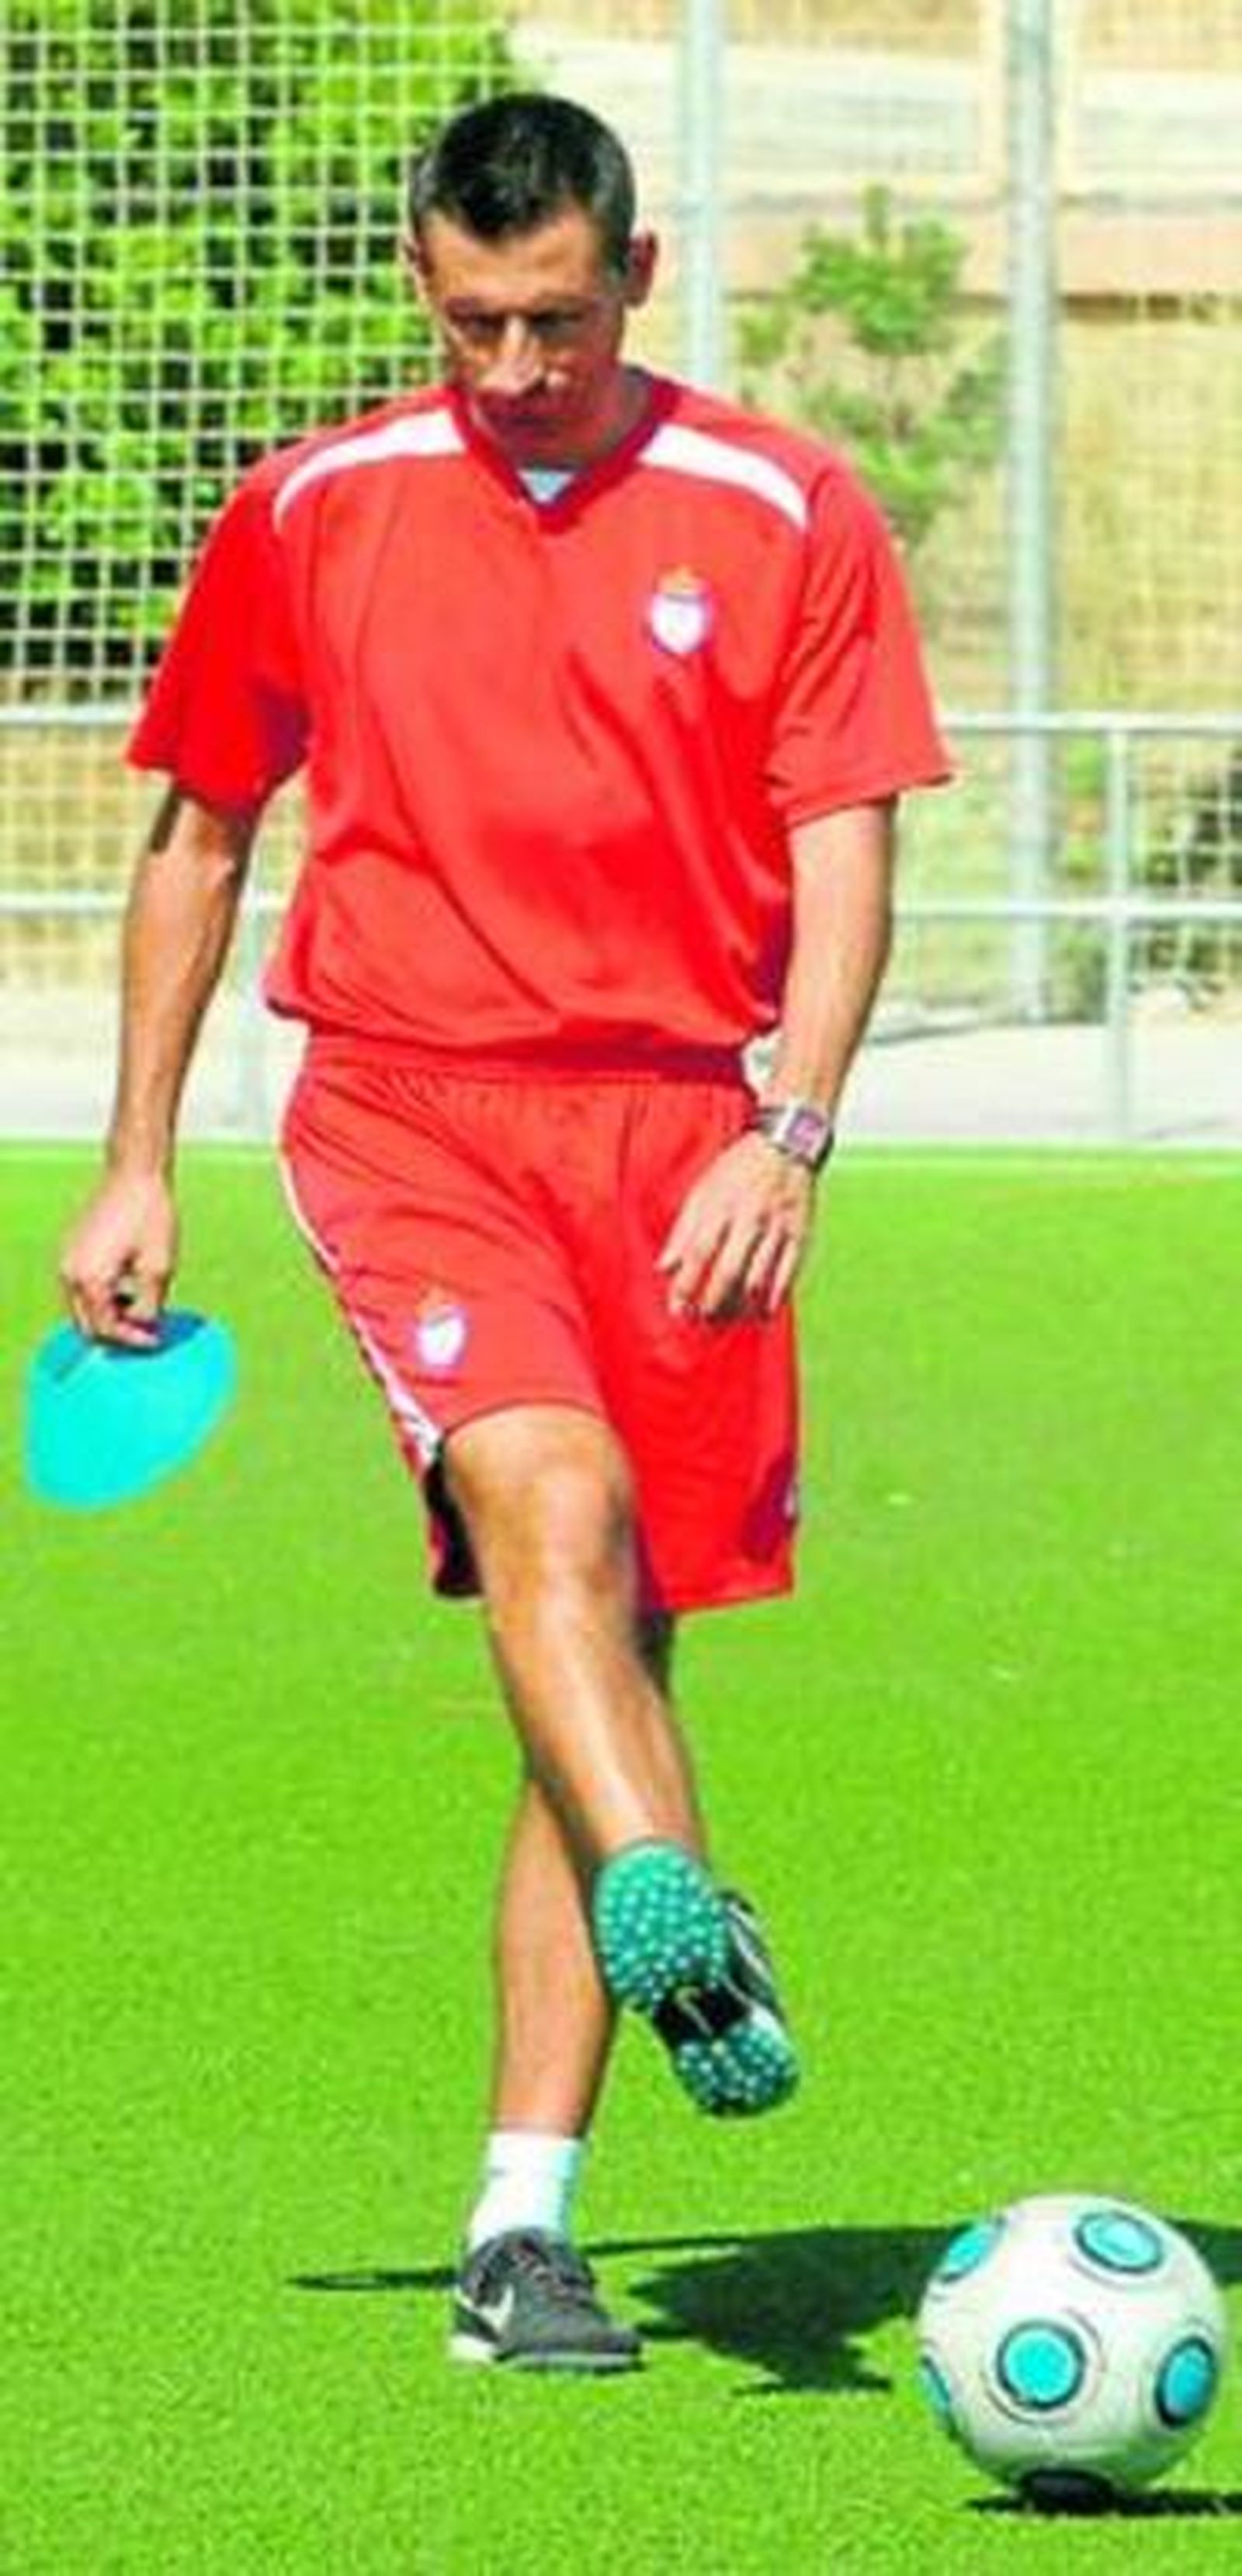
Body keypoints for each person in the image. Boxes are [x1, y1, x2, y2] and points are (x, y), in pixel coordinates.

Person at [60, 94, 949, 2374]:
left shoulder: (781, 506)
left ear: (636, 276)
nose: (513, 366)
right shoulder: (319, 506)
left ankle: (520, 2230)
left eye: (555, 319)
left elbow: (844, 840)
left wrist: (797, 1125)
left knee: (616, 1668)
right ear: (422, 286)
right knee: (544, 1498)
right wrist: (139, 1151)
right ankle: (689, 1913)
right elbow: (196, 831)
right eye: (471, 323)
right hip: (410, 1113)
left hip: (690, 1142)